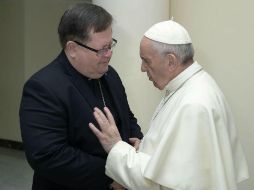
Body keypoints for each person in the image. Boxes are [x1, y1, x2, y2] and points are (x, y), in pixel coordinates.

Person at [89, 20, 249, 190]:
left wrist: (116, 147)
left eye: (146, 60)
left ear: (171, 61)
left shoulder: (194, 105)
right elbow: (172, 166)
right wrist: (144, 149)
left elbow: (161, 185)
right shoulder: (192, 86)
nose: (142, 68)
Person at [19, 2, 143, 190]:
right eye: (102, 49)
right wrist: (112, 175)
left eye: (111, 45)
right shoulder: (43, 87)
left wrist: (137, 141)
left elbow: (127, 118)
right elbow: (48, 156)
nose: (109, 54)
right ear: (72, 49)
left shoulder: (111, 75)